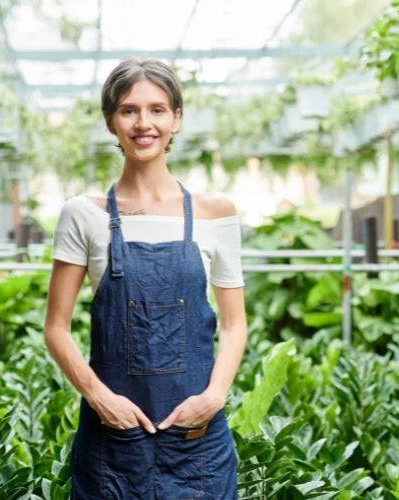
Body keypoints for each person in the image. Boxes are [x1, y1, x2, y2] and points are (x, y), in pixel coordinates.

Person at [43, 57, 248, 499]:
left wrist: (213, 397)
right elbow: (55, 329)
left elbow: (234, 323)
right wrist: (101, 399)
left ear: (176, 118)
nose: (143, 122)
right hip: (113, 436)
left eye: (157, 109)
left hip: (197, 437)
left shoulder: (216, 213)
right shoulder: (83, 214)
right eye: (128, 110)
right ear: (110, 122)